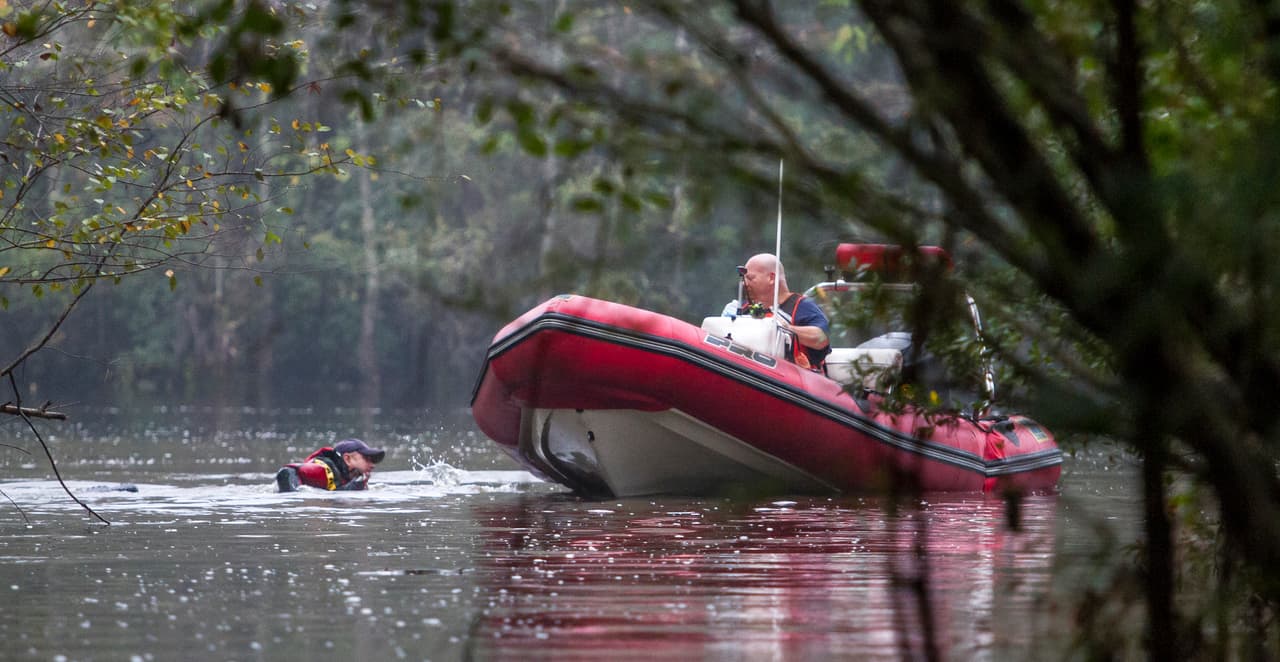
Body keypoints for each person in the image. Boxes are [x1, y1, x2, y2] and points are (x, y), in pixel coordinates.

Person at [737, 253, 832, 371]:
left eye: (750, 278)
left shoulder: (801, 306)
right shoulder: (743, 309)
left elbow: (822, 338)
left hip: (792, 381)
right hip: (750, 372)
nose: (744, 283)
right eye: (743, 279)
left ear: (771, 278)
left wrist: (784, 327)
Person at [275, 438, 386, 492]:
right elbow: (286, 473)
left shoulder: (351, 477)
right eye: (366, 458)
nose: (372, 465)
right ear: (348, 459)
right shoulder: (324, 471)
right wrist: (293, 501)